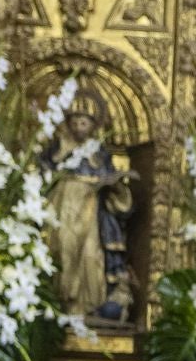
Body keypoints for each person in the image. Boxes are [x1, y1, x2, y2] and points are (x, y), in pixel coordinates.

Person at [42, 91, 136, 327]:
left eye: (84, 122)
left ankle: (87, 307)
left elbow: (108, 180)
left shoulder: (98, 154)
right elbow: (42, 172)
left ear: (94, 126)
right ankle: (60, 303)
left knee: (90, 255)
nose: (78, 126)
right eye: (74, 121)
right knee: (63, 249)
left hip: (90, 211)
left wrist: (115, 182)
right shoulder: (58, 148)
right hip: (61, 206)